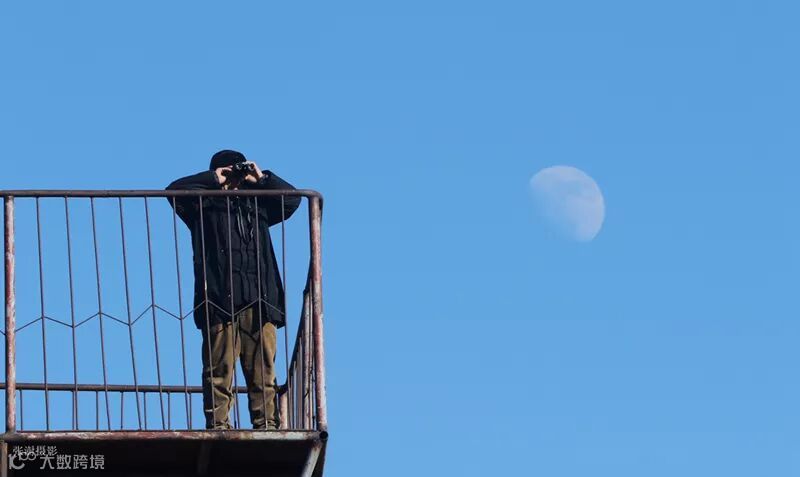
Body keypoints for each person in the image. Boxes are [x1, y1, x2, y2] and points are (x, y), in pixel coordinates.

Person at [166, 150, 300, 430]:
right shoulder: (202, 206)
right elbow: (173, 191)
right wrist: (214, 179)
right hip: (218, 300)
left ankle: (267, 425)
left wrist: (261, 179)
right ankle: (218, 425)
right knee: (219, 369)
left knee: (263, 370)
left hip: (260, 299)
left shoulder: (258, 204)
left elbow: (292, 199)